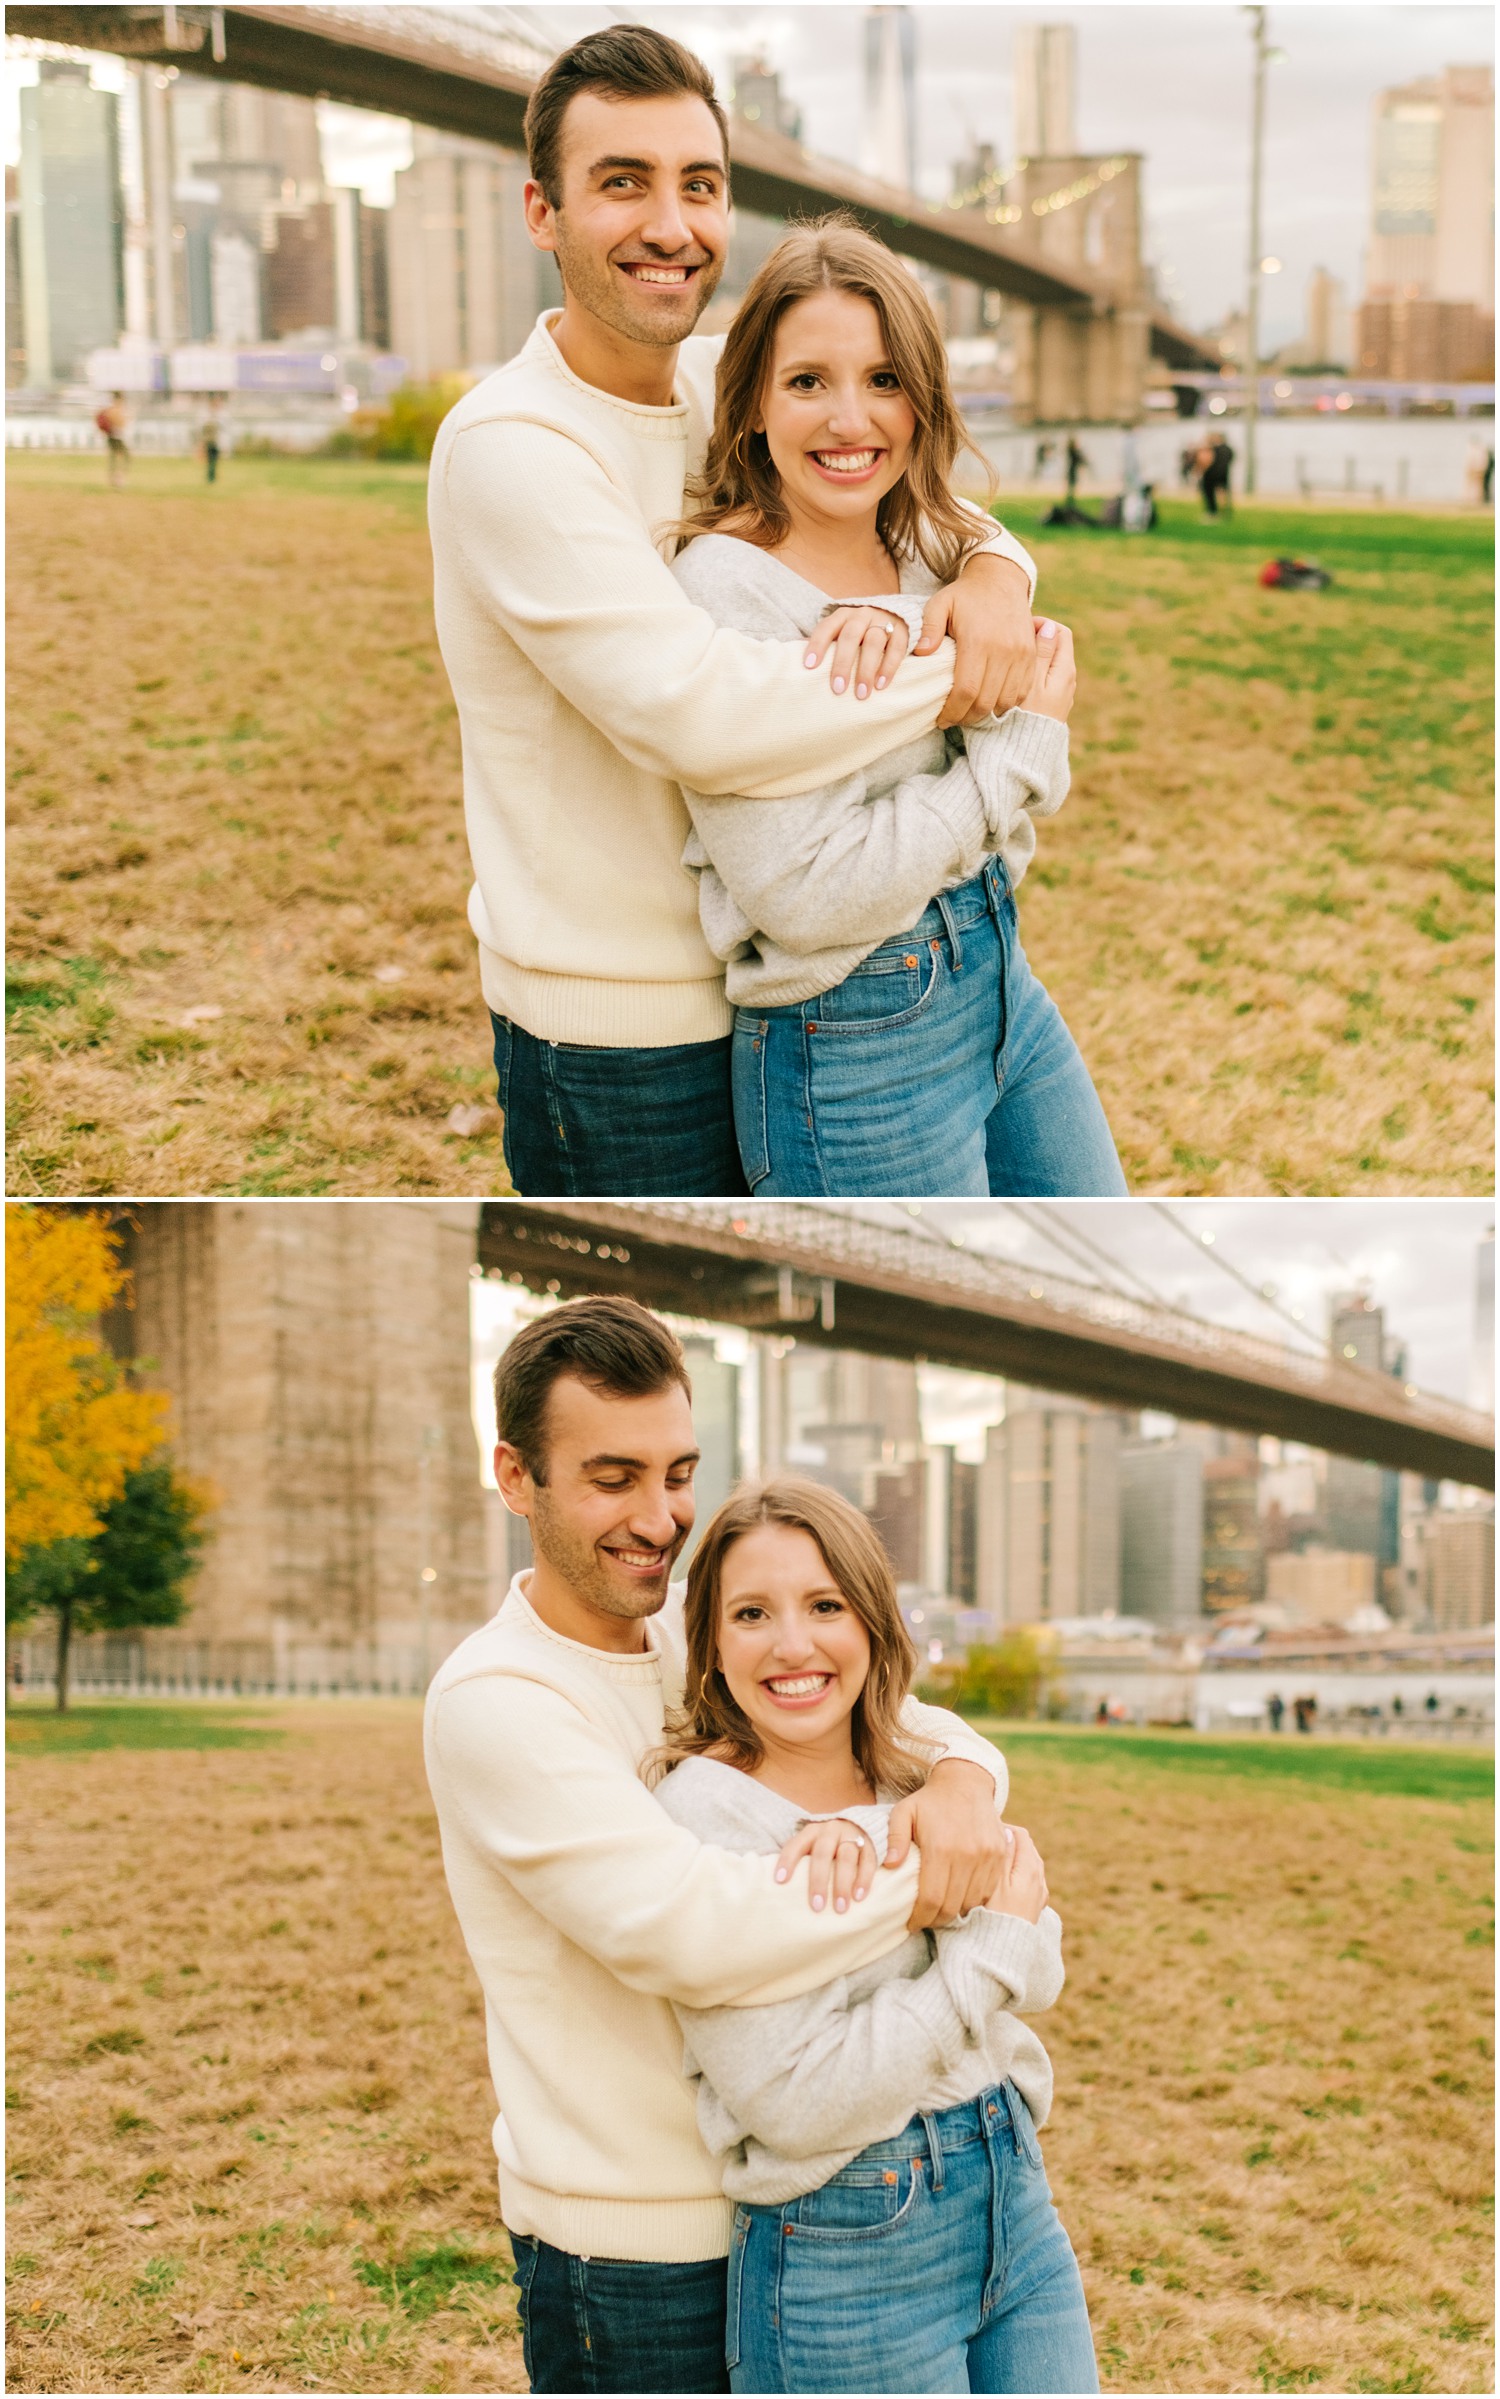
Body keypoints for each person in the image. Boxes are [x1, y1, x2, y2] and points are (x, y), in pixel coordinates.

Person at [427, 24, 1040, 1201]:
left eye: (698, 186)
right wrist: (973, 668)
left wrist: (993, 583)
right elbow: (707, 715)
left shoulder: (733, 381)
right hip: (623, 1044)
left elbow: (938, 504)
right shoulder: (512, 445)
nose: (672, 225)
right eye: (622, 184)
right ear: (541, 214)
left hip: (799, 997)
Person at [424, 1296, 1016, 2396]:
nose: (661, 1517)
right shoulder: (497, 1699)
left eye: (679, 1471)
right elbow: (697, 1930)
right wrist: (947, 1875)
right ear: (515, 1476)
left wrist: (965, 1785)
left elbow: (906, 1718)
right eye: (614, 1477)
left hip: (794, 2210)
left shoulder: (689, 1633)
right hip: (632, 2252)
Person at [666, 221, 1126, 1197]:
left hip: (999, 971)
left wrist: (982, 590)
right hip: (853, 1032)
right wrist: (1014, 763)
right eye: (807, 382)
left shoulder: (923, 536)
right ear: (749, 401)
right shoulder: (727, 591)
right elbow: (804, 895)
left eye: (884, 381)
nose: (850, 420)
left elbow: (1019, 609)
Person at [649, 1479, 1098, 2394]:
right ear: (711, 1644)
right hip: (848, 2247)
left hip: (1010, 2192)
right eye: (751, 1612)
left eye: (825, 1604)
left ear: (872, 1622)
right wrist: (980, 1949)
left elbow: (1039, 1955)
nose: (793, 1644)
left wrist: (908, 1838)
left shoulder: (913, 1768)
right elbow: (799, 2099)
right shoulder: (707, 1812)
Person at [96, 392, 130, 489]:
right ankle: (118, 480)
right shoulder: (115, 410)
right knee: (122, 458)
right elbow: (121, 423)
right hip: (116, 437)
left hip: (113, 437)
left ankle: (114, 479)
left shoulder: (111, 409)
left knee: (115, 458)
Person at [200, 397, 223, 484]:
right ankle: (211, 478)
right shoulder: (212, 417)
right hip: (212, 442)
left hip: (212, 442)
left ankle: (211, 477)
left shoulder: (213, 416)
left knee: (212, 461)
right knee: (212, 461)